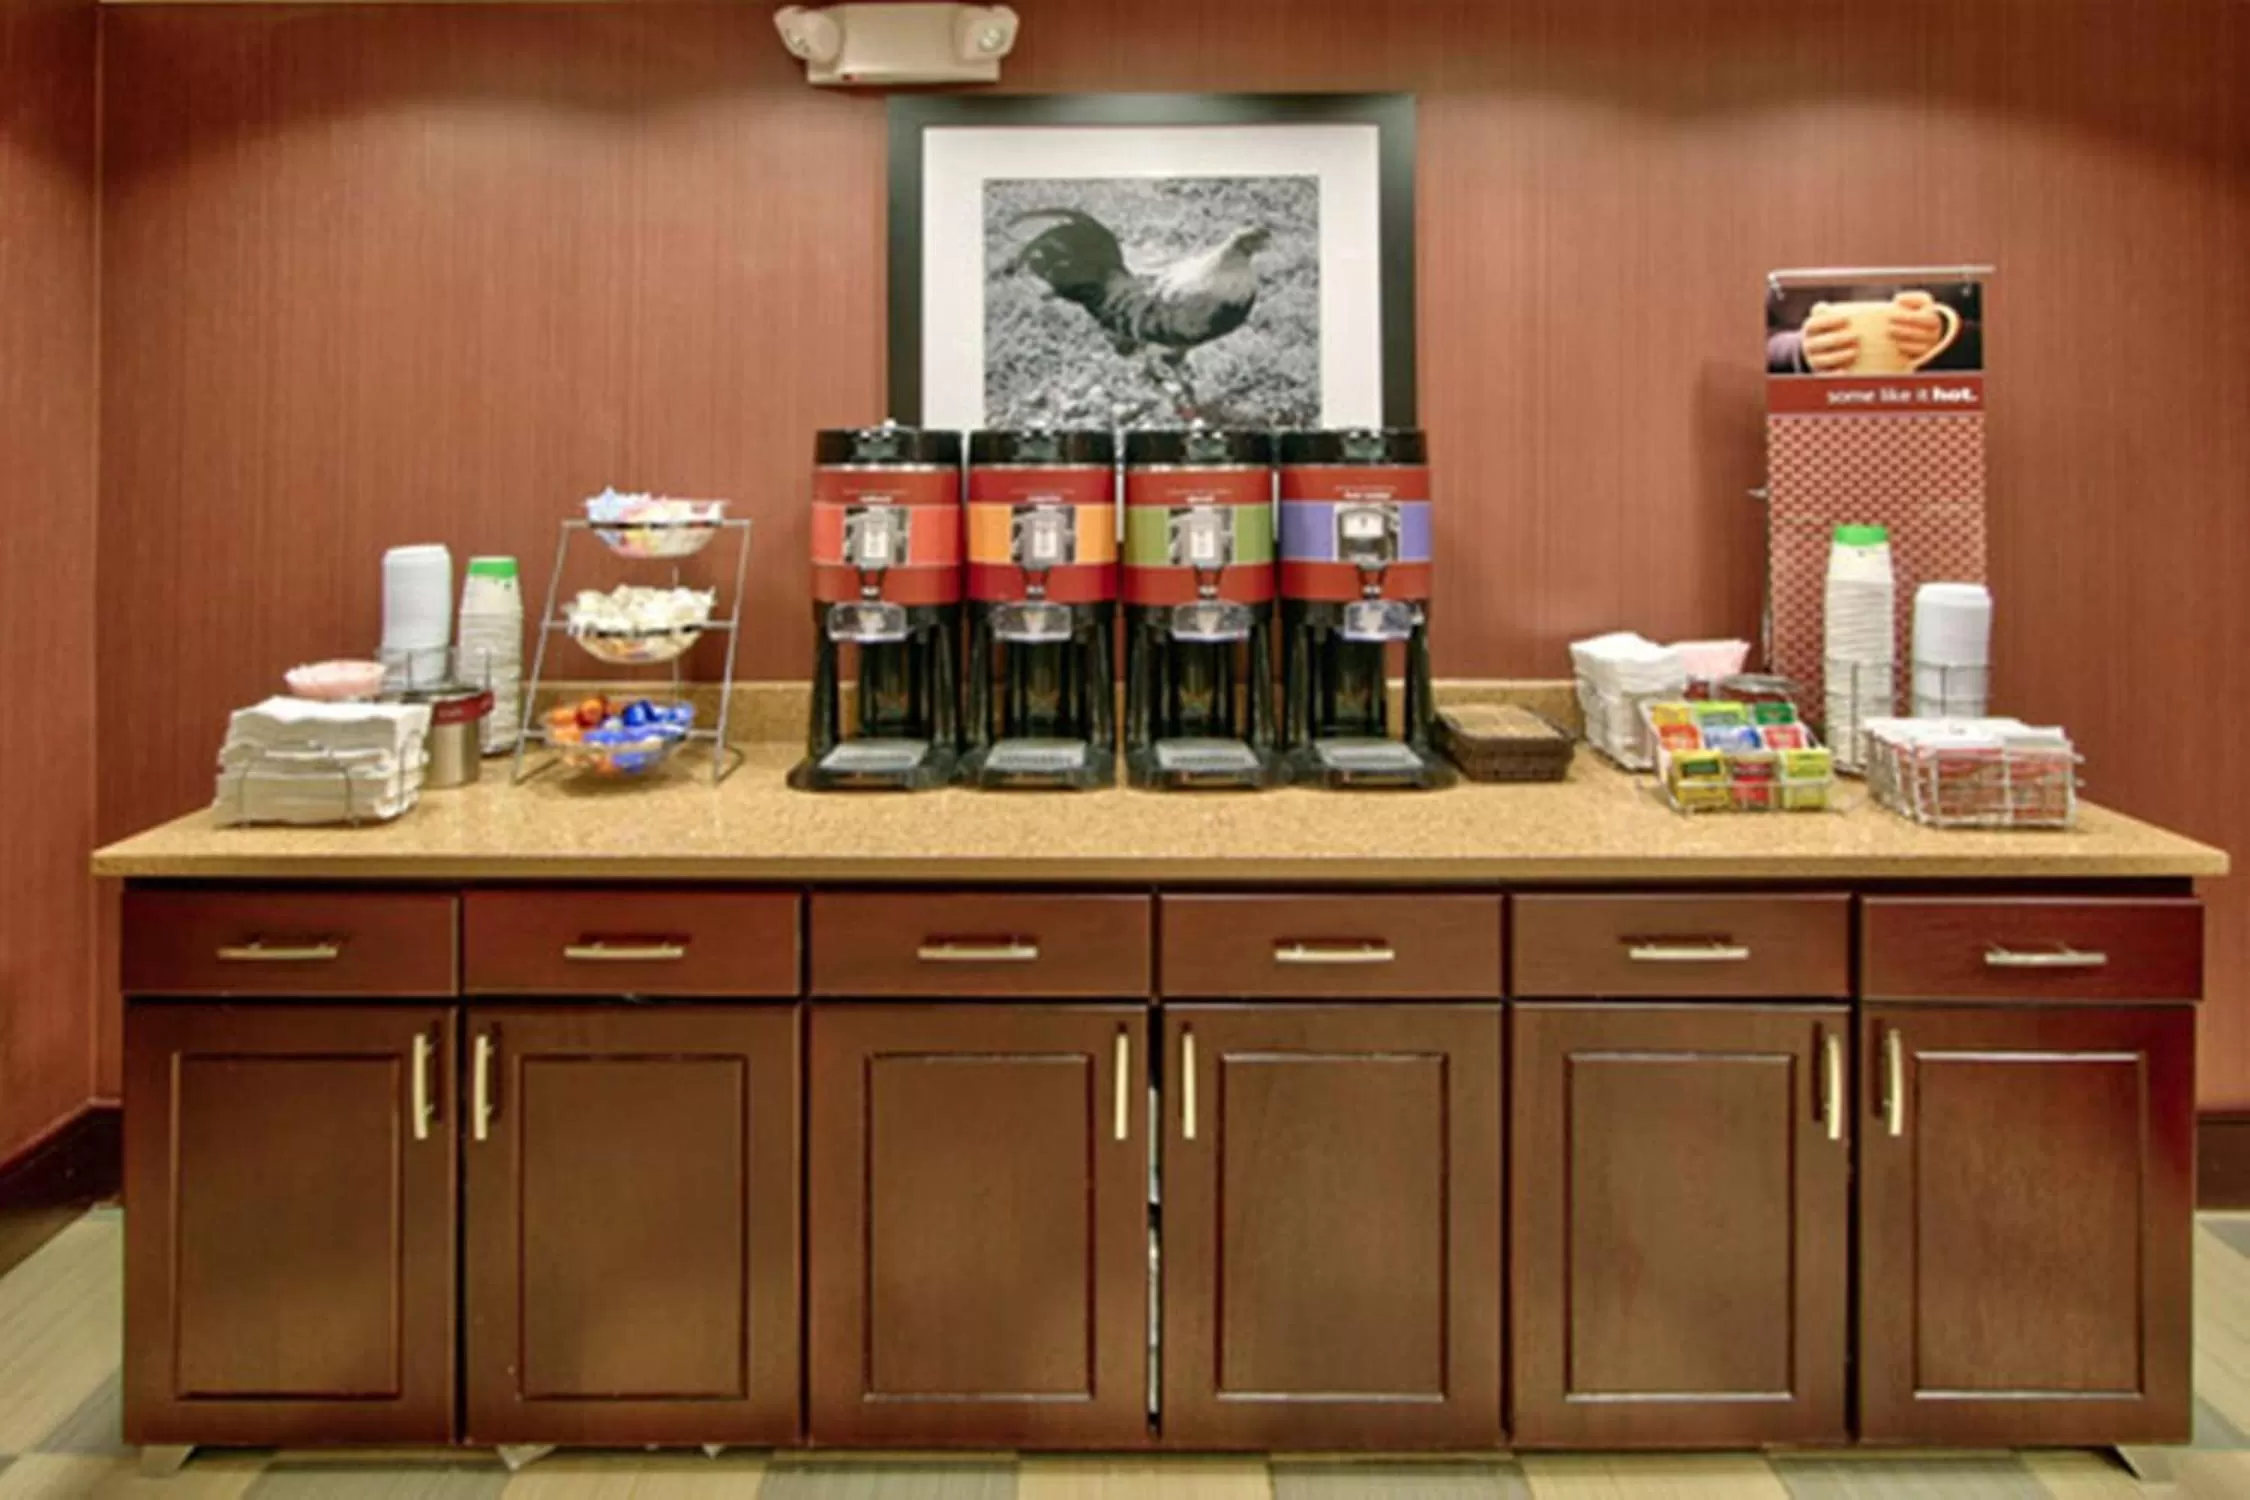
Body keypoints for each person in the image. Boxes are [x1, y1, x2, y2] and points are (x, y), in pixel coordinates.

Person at [1767, 286, 1983, 374]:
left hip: (1949, 410)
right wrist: (1795, 352)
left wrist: (1951, 338)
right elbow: (1741, 340)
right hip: (1807, 420)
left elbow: (2011, 335)